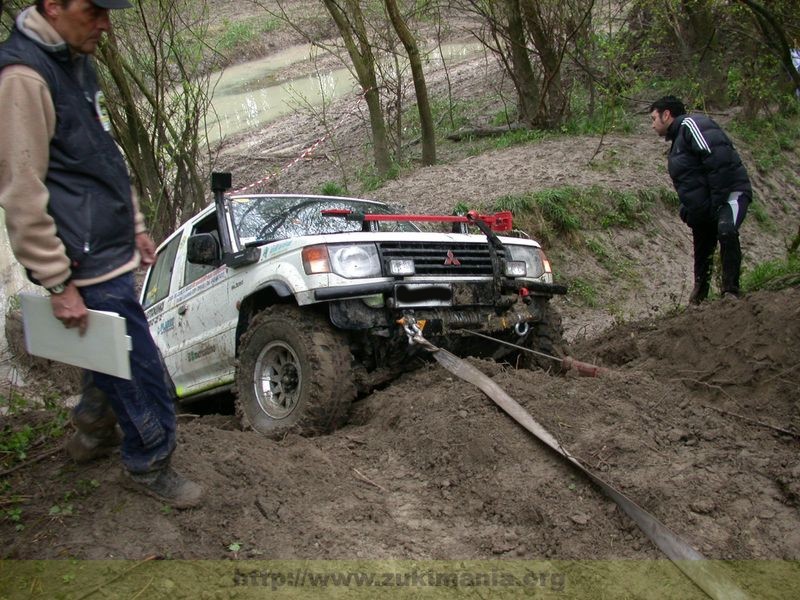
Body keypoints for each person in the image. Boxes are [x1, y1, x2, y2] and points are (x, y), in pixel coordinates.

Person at [0, 0, 203, 508]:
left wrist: (132, 224)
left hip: (106, 245)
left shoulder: (75, 57)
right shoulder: (23, 78)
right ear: (53, 6)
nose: (106, 23)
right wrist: (56, 280)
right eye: (94, 11)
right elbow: (21, 188)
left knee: (108, 349)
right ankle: (150, 460)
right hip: (81, 260)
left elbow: (101, 152)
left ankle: (93, 426)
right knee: (142, 372)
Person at [649, 95, 753, 304]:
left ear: (666, 114)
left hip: (730, 194)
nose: (652, 125)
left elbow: (717, 160)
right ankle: (699, 299)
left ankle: (730, 291)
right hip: (709, 203)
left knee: (726, 230)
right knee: (703, 247)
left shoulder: (691, 125)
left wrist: (716, 203)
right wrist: (690, 210)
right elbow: (690, 182)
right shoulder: (678, 140)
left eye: (653, 119)